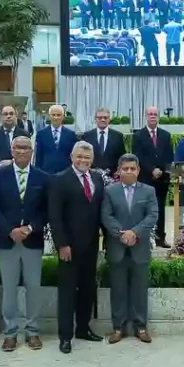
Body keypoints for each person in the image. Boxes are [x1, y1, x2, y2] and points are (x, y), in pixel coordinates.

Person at [0, 136, 48, 352]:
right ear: (11, 150)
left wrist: (30, 228)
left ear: (32, 151)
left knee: (33, 287)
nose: (22, 151)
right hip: (8, 240)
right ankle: (11, 332)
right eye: (17, 147)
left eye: (26, 148)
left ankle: (33, 331)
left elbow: (46, 210)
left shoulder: (42, 177)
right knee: (10, 288)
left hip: (32, 240)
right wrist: (9, 230)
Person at [48, 141, 105, 354]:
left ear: (92, 159)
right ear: (72, 157)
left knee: (88, 288)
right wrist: (62, 244)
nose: (83, 160)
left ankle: (83, 328)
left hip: (91, 245)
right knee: (68, 291)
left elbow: (100, 211)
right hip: (69, 247)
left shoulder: (97, 178)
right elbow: (55, 216)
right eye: (79, 156)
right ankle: (65, 336)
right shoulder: (60, 180)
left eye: (87, 157)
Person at [101, 154, 159, 344]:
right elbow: (106, 216)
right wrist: (121, 234)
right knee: (118, 290)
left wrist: (134, 233)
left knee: (140, 290)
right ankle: (118, 328)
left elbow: (152, 216)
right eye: (125, 168)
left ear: (138, 170)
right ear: (119, 171)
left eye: (132, 169)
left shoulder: (148, 191)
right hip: (117, 248)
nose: (129, 172)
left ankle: (140, 327)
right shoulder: (110, 191)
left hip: (139, 248)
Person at [132, 106, 174, 248]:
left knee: (160, 209)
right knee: (145, 209)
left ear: (158, 117)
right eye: (150, 114)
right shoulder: (138, 136)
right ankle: (145, 238)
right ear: (146, 116)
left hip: (162, 180)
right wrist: (151, 170)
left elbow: (169, 156)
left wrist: (162, 170)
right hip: (145, 178)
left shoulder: (166, 135)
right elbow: (138, 157)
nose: (152, 116)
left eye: (155, 114)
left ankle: (160, 238)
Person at [34, 105, 79, 175]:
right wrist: (37, 173)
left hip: (66, 173)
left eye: (58, 115)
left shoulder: (71, 134)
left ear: (63, 117)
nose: (56, 117)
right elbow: (38, 156)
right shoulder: (41, 134)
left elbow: (73, 155)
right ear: (49, 116)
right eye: (53, 115)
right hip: (46, 173)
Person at [82, 107, 126, 174]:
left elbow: (122, 156)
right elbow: (83, 155)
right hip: (92, 174)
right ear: (95, 119)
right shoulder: (87, 136)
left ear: (109, 119)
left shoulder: (118, 136)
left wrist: (119, 170)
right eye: (100, 118)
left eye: (105, 117)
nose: (103, 120)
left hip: (113, 175)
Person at [0, 105, 28, 170]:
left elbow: (27, 152)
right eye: (5, 114)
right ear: (1, 117)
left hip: (18, 171)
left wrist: (13, 162)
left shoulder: (24, 134)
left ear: (16, 116)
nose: (8, 116)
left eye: (11, 114)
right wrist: (0, 162)